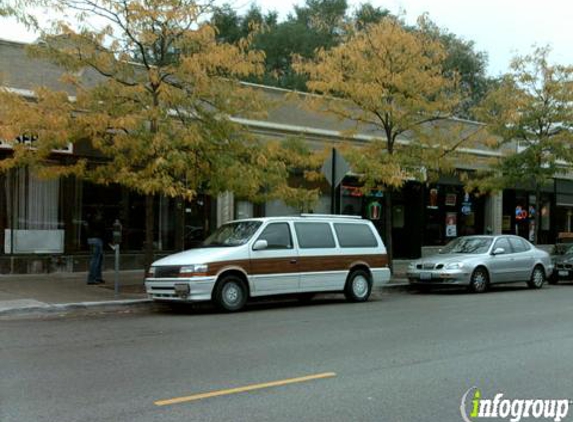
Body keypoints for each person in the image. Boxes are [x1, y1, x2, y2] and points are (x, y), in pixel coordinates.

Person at [86, 210, 106, 285]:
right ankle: (92, 278)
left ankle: (97, 277)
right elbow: (103, 230)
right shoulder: (98, 222)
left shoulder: (90, 220)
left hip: (91, 239)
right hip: (97, 239)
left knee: (97, 259)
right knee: (96, 259)